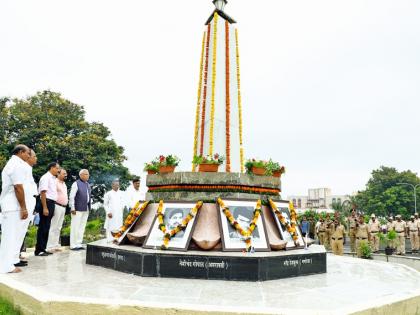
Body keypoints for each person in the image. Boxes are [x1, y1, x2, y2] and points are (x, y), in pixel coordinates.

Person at [0, 144, 31, 273]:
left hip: (13, 205)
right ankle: (5, 267)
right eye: (27, 153)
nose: (28, 156)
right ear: (20, 152)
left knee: (12, 237)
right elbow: (18, 187)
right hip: (13, 206)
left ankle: (8, 265)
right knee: (10, 237)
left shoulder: (15, 163)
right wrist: (24, 208)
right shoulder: (16, 164)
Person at [15, 149, 38, 266]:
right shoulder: (22, 168)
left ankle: (16, 257)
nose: (36, 158)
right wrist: (23, 207)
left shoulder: (28, 169)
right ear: (28, 157)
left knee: (22, 231)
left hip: (30, 202)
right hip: (24, 203)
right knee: (18, 231)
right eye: (34, 156)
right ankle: (13, 258)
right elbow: (19, 187)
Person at [35, 162, 60, 256]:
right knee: (43, 227)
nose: (58, 170)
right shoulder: (46, 177)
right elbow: (43, 193)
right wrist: (45, 207)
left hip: (51, 203)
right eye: (57, 168)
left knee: (47, 227)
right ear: (52, 168)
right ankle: (39, 250)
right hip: (46, 202)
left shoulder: (53, 178)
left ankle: (43, 248)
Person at [69, 169, 92, 250]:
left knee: (82, 227)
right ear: (81, 175)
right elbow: (72, 196)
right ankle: (73, 245)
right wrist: (72, 207)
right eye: (86, 174)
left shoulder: (88, 185)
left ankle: (78, 243)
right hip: (77, 209)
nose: (88, 175)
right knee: (75, 226)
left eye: (88, 174)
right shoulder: (76, 183)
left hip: (86, 209)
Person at [46, 169, 68, 252]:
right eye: (64, 173)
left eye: (66, 173)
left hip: (63, 207)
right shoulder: (55, 182)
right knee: (53, 226)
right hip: (56, 205)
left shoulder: (64, 184)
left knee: (59, 227)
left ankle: (55, 245)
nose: (66, 174)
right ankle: (49, 246)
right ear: (58, 174)